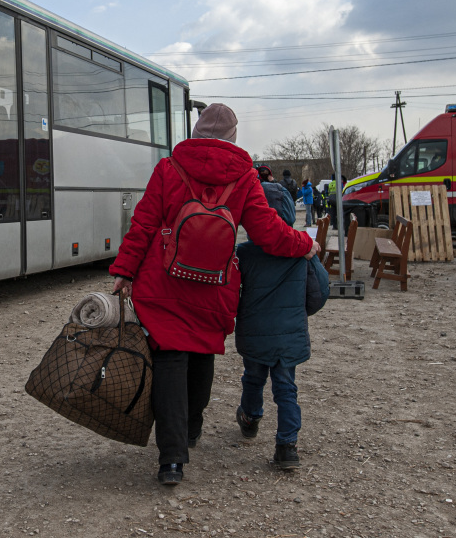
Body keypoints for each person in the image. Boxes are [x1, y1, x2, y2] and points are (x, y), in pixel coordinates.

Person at [110, 104, 319, 486]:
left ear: (197, 132)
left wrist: (125, 270)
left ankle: (172, 459)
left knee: (170, 357)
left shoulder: (168, 168)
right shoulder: (244, 177)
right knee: (202, 350)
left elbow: (143, 222)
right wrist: (303, 242)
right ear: (233, 136)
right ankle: (191, 428)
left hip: (164, 280)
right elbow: (268, 233)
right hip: (213, 283)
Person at [234, 181, 328, 470]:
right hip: (289, 334)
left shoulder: (244, 253)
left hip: (255, 332)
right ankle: (287, 446)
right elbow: (320, 292)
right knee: (286, 388)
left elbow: (231, 292)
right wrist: (298, 314)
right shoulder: (302, 250)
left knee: (253, 378)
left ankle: (250, 418)